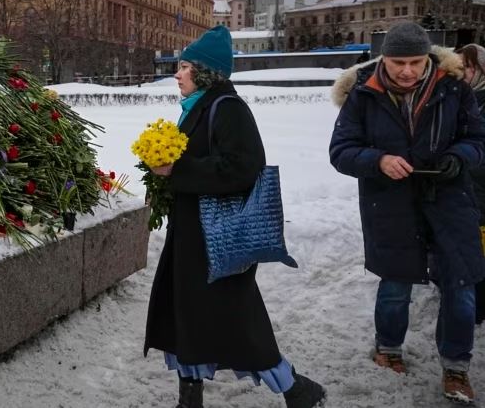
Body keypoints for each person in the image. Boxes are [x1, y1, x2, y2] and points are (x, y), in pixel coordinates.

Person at [144, 25, 326, 408]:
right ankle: (189, 397)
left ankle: (296, 389)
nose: (177, 74)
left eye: (184, 66)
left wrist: (177, 171)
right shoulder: (202, 106)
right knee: (186, 318)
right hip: (194, 235)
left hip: (217, 238)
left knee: (238, 322)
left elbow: (243, 168)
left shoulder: (229, 109)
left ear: (205, 72)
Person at [330, 22, 485, 404]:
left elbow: (478, 140)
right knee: (395, 284)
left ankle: (456, 367)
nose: (407, 71)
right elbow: (341, 150)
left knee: (460, 286)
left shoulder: (455, 88)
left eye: (416, 62)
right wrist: (377, 160)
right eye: (399, 62)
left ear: (428, 58)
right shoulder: (364, 94)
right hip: (390, 204)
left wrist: (459, 157)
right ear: (386, 59)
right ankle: (388, 348)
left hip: (451, 202)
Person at [458, 43, 485, 324]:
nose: (461, 72)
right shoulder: (462, 98)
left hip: (478, 191)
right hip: (464, 192)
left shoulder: (479, 101)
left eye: (467, 66)